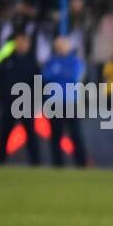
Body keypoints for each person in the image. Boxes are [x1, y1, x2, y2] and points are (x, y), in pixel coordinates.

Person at [0, 30, 41, 165]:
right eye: (20, 41)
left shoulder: (32, 63)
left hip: (26, 104)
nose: (22, 45)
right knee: (4, 134)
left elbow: (38, 83)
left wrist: (36, 101)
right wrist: (1, 95)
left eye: (25, 42)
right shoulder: (6, 61)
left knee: (31, 135)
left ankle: (36, 164)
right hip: (9, 103)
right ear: (15, 43)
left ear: (29, 44)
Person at [44, 35, 89, 167]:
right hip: (54, 103)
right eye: (59, 46)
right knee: (56, 135)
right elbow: (45, 77)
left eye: (63, 45)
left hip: (71, 103)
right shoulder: (51, 61)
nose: (61, 48)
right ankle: (58, 164)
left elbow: (75, 77)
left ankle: (81, 164)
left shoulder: (75, 61)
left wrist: (59, 75)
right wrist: (63, 75)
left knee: (75, 134)